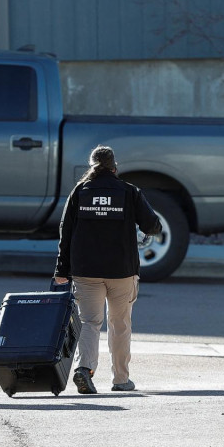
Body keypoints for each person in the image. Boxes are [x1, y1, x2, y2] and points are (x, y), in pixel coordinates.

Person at [53, 145, 161, 394]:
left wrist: (61, 269)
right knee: (120, 323)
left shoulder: (80, 191)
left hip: (86, 270)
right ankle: (121, 380)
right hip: (121, 270)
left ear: (91, 166)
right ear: (115, 167)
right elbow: (153, 225)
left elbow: (65, 232)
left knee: (89, 322)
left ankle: (84, 370)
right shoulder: (129, 192)